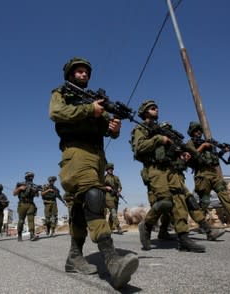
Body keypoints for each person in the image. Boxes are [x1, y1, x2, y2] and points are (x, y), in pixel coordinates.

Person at [49, 57, 138, 289]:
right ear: (70, 75)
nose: (83, 74)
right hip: (76, 152)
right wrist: (91, 109)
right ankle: (112, 260)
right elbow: (56, 113)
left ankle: (74, 257)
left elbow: (108, 130)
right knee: (94, 196)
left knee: (80, 207)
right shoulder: (62, 93)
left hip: (98, 156)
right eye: (78, 72)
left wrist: (114, 128)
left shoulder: (96, 101)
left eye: (85, 72)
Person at [131, 99, 210, 253]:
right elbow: (139, 148)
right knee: (165, 202)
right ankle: (146, 225)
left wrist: (182, 156)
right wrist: (159, 139)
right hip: (154, 169)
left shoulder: (162, 130)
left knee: (180, 199)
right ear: (145, 111)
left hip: (170, 169)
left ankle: (183, 238)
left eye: (157, 107)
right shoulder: (140, 128)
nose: (156, 110)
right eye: (152, 108)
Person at [13, 171, 41, 241]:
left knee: (31, 220)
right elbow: (14, 193)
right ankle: (19, 235)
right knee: (21, 220)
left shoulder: (34, 185)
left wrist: (35, 191)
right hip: (22, 204)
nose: (31, 178)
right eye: (30, 176)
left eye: (32, 177)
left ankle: (32, 235)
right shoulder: (21, 184)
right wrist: (19, 188)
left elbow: (37, 195)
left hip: (30, 204)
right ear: (26, 177)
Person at [104, 163, 123, 234]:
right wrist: (106, 187)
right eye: (109, 169)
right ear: (107, 170)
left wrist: (118, 190)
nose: (111, 170)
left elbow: (120, 186)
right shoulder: (104, 178)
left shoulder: (116, 178)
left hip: (116, 198)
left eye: (111, 169)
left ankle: (109, 228)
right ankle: (118, 227)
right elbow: (100, 186)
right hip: (108, 198)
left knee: (112, 214)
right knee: (113, 212)